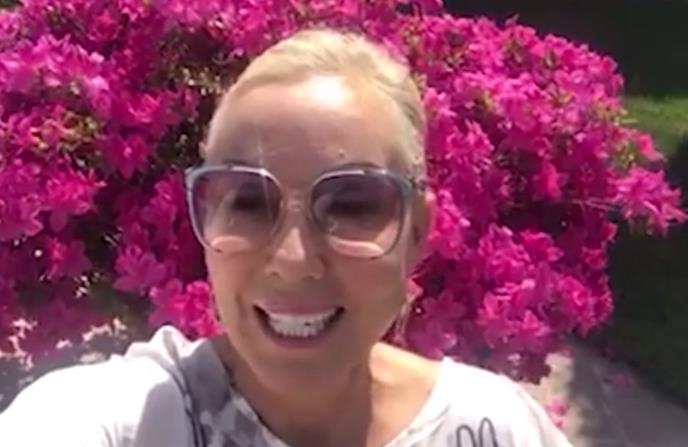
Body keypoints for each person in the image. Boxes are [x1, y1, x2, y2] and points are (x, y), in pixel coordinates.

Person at [0, 28, 574, 447]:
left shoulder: (495, 428)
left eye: (350, 205)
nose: (294, 261)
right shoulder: (120, 423)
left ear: (417, 232)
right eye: (249, 203)